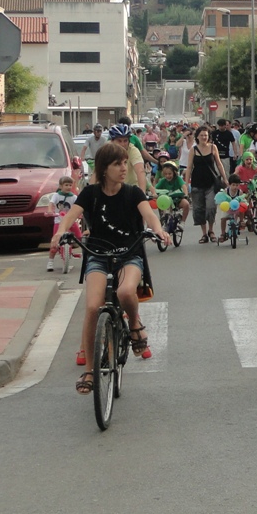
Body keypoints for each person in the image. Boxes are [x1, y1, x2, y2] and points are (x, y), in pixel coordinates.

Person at [50, 142, 170, 392]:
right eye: (117, 164)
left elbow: (150, 216)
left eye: (125, 163)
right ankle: (89, 372)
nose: (123, 168)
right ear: (104, 169)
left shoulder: (133, 193)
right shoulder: (90, 194)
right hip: (98, 254)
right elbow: (71, 216)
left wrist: (159, 231)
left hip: (129, 254)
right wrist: (60, 232)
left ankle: (135, 325)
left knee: (125, 292)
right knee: (93, 306)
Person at [185, 124, 227, 243]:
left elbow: (219, 164)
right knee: (199, 209)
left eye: (206, 135)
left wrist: (225, 178)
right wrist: (186, 183)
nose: (204, 137)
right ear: (197, 137)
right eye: (201, 135)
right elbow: (189, 167)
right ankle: (204, 233)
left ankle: (211, 230)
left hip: (211, 183)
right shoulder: (193, 150)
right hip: (197, 182)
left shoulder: (213, 147)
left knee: (211, 207)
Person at [46, 176, 82, 272]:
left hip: (71, 221)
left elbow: (78, 206)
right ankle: (50, 261)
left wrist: (80, 214)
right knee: (55, 241)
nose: (68, 187)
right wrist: (50, 211)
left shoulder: (74, 197)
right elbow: (51, 204)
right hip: (59, 221)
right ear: (61, 186)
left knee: (79, 236)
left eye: (70, 185)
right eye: (66, 185)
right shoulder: (56, 195)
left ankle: (86, 256)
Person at [107, 124, 149, 193]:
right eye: (119, 141)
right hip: (111, 190)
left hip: (130, 189)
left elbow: (140, 171)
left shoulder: (133, 150)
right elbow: (97, 173)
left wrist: (142, 195)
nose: (123, 144)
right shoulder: (106, 150)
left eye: (125, 141)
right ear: (112, 141)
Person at [154, 160, 190, 224]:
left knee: (186, 204)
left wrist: (186, 194)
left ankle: (182, 222)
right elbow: (154, 189)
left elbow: (184, 186)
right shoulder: (163, 181)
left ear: (174, 172)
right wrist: (154, 194)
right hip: (167, 201)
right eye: (165, 174)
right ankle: (164, 220)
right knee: (166, 212)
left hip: (177, 199)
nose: (168, 176)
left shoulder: (178, 178)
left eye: (170, 174)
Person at [217, 174, 246, 243]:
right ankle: (223, 233)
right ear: (229, 185)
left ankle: (241, 221)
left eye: (237, 185)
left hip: (236, 209)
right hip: (228, 209)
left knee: (242, 206)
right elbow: (222, 200)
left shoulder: (240, 192)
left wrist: (242, 203)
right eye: (233, 185)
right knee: (223, 218)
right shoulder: (226, 191)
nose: (235, 187)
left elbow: (242, 200)